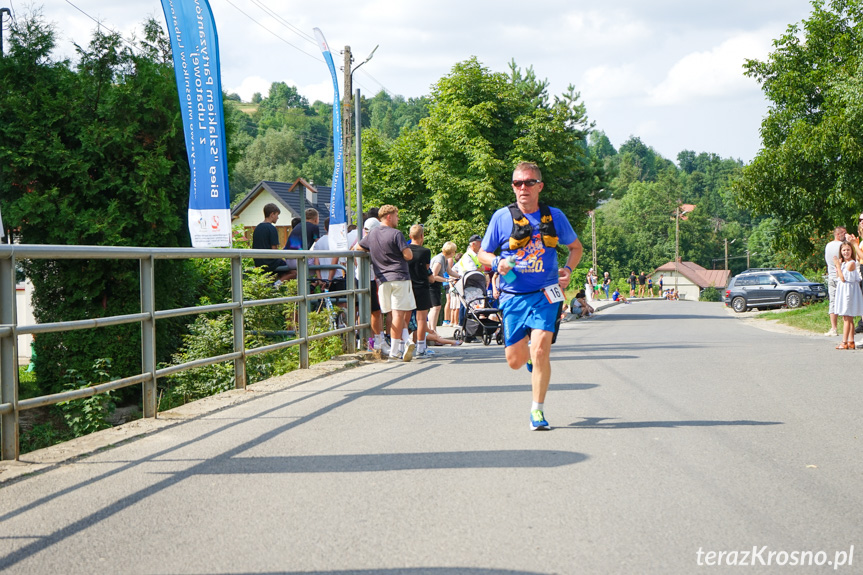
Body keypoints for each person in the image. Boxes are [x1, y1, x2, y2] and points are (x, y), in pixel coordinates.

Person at [478, 162, 582, 431]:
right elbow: (482, 253)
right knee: (515, 361)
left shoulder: (555, 216)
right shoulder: (501, 217)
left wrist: (568, 270)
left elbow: (575, 247)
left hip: (547, 292)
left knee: (540, 350)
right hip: (513, 294)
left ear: (540, 186)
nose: (522, 188)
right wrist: (497, 262)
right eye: (517, 183)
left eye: (528, 182)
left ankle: (537, 410)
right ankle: (526, 360)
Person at [354, 205, 416, 362]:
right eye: (396, 215)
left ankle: (403, 342)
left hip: (382, 279)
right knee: (398, 314)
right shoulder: (396, 234)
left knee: (389, 313)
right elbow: (408, 255)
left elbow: (358, 247)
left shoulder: (372, 234)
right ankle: (396, 350)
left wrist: (373, 252)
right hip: (400, 277)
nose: (398, 218)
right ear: (388, 216)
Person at [407, 224, 435, 357]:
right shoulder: (425, 251)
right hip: (421, 286)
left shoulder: (405, 251)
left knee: (405, 316)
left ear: (410, 236)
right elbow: (427, 268)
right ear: (422, 236)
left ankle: (403, 344)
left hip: (407, 286)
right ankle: (421, 347)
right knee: (421, 319)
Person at [251, 203, 294, 284]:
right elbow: (274, 250)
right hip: (271, 262)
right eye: (277, 215)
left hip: (259, 262)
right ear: (272, 214)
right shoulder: (272, 228)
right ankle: (277, 285)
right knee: (294, 272)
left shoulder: (257, 228)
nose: (278, 217)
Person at [832, 241, 863, 349]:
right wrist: (838, 266)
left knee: (847, 317)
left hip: (849, 291)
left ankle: (844, 342)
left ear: (851, 251)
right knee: (848, 317)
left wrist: (837, 265)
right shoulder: (844, 264)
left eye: (848, 250)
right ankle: (851, 341)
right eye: (844, 250)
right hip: (844, 290)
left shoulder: (851, 263)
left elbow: (843, 278)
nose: (846, 252)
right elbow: (838, 276)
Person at [429, 241, 459, 330]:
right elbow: (434, 275)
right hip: (432, 285)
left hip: (437, 285)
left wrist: (460, 276)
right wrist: (447, 280)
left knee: (436, 307)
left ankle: (431, 329)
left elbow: (450, 271)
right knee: (436, 307)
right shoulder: (439, 259)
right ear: (452, 251)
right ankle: (432, 330)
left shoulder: (444, 259)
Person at [824, 226, 847, 337]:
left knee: (832, 302)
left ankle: (834, 328)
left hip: (831, 276)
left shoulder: (828, 245)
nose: (845, 235)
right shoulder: (841, 246)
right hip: (841, 276)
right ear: (838, 234)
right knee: (844, 301)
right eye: (844, 233)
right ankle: (846, 325)